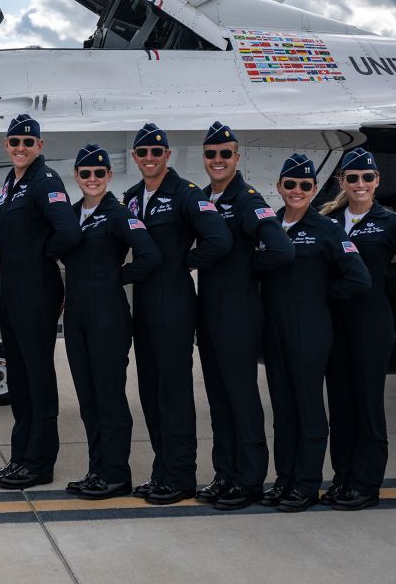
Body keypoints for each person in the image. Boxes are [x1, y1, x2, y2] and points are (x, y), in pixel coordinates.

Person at [122, 123, 232, 505]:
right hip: (145, 303)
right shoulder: (133, 197)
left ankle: (182, 476)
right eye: (142, 153)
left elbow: (219, 239)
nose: (149, 158)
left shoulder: (185, 194)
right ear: (135, 158)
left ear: (167, 155)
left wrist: (184, 262)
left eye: (156, 152)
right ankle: (161, 472)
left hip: (174, 302)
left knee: (174, 392)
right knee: (150, 392)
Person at [322, 148, 396, 510]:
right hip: (334, 322)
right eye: (352, 178)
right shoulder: (329, 219)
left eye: (366, 178)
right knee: (340, 406)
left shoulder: (392, 222)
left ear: (377, 181)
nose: (360, 184)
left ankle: (366, 484)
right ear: (342, 181)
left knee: (367, 405)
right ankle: (342, 479)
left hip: (371, 322)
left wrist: (382, 283)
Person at [260, 153, 371, 512]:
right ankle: (285, 479)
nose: (296, 191)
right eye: (289, 184)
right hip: (274, 329)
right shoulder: (270, 226)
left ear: (313, 189)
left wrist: (321, 296)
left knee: (307, 407)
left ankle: (306, 484)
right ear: (279, 187)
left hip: (309, 329)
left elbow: (359, 277)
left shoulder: (326, 229)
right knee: (282, 407)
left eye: (305, 186)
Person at [196, 122, 294, 509]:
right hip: (210, 312)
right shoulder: (205, 198)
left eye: (225, 154)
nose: (218, 160)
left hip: (238, 313)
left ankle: (250, 479)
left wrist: (250, 267)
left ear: (237, 158)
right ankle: (226, 474)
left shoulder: (248, 200)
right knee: (218, 399)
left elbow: (282, 250)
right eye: (211, 154)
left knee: (241, 397)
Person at [0, 114, 81, 490]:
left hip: (36, 294)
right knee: (20, 380)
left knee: (38, 380)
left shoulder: (45, 181)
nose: (21, 148)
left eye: (28, 142)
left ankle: (40, 463)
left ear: (39, 146)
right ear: (6, 145)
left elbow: (68, 233)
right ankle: (21, 456)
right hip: (13, 294)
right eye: (14, 142)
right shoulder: (13, 181)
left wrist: (44, 254)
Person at [62, 144, 161, 500]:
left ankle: (117, 474)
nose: (92, 179)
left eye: (98, 173)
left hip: (108, 316)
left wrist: (118, 276)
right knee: (88, 399)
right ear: (76, 176)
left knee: (109, 398)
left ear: (109, 176)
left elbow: (150, 255)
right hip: (75, 317)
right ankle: (97, 469)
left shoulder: (119, 214)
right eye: (85, 173)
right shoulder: (71, 214)